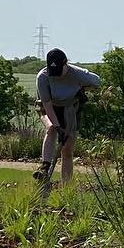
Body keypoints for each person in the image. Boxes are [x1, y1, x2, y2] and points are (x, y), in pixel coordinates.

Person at [34, 48, 100, 186]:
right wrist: (58, 128)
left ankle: (66, 187)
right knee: (51, 128)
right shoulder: (43, 77)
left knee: (67, 150)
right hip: (49, 107)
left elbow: (97, 82)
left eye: (59, 71)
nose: (56, 76)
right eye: (54, 72)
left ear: (66, 65)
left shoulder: (78, 74)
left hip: (70, 110)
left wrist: (83, 89)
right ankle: (44, 168)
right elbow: (46, 104)